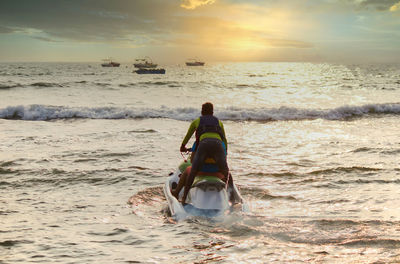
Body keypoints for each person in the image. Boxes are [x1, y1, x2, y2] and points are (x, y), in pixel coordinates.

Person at [179, 102, 229, 204]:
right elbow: (224, 140)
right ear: (212, 112)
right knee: (226, 172)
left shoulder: (197, 121)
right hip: (218, 145)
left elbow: (188, 135)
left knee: (193, 171)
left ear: (202, 111)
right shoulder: (219, 122)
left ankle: (184, 198)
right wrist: (225, 153)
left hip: (204, 144)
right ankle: (228, 196)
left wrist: (183, 146)